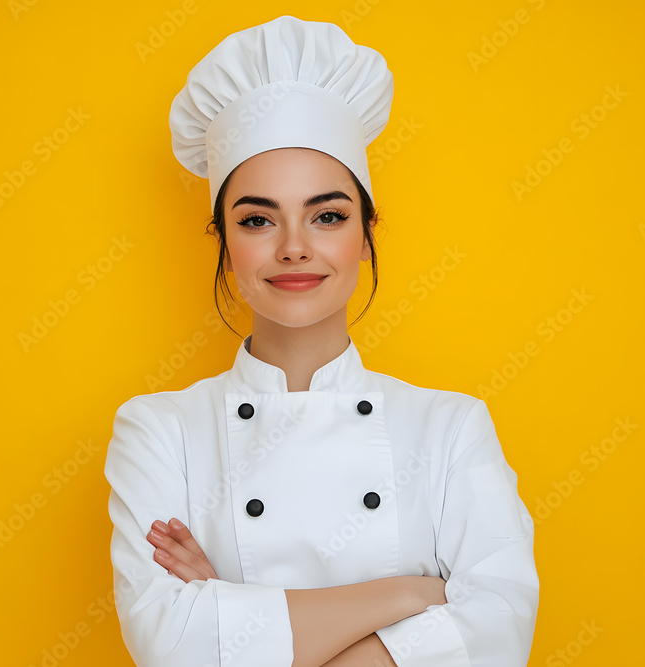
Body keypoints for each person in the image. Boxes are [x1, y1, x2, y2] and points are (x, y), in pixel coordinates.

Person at [104, 15, 539, 667]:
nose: (294, 247)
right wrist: (413, 593)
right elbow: (168, 644)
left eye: (327, 214)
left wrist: (227, 604)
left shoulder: (450, 427)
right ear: (224, 246)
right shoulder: (157, 430)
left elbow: (500, 630)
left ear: (365, 235)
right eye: (257, 219)